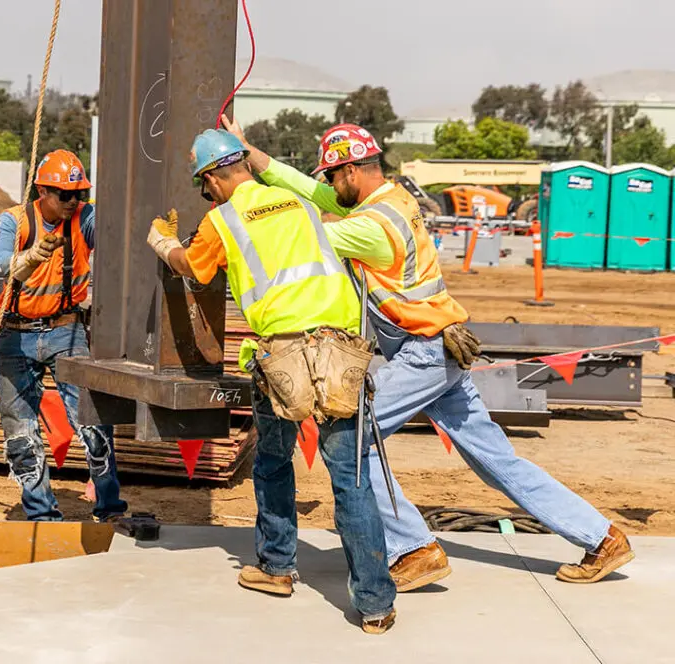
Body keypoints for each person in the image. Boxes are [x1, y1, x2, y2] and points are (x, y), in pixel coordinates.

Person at [227, 117, 634, 590]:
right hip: (441, 347)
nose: (329, 186)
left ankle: (414, 549)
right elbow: (312, 195)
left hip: (423, 354)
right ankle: (602, 537)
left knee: (356, 440)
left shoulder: (371, 227)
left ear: (353, 172)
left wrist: (244, 193)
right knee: (497, 460)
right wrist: (251, 156)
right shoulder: (392, 199)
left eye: (333, 177)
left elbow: (301, 234)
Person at [146, 129, 397, 634]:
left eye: (203, 185)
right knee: (350, 480)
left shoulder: (223, 219)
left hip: (282, 356)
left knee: (273, 460)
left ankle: (278, 567)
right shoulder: (296, 202)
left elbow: (195, 271)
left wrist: (165, 244)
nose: (205, 195)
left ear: (214, 176)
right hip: (339, 350)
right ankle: (374, 603)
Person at [0, 150, 128, 523]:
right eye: (65, 195)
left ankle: (109, 507)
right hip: (16, 335)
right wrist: (30, 256)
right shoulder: (14, 221)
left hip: (66, 331)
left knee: (94, 424)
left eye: (78, 194)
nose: (73, 202)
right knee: (21, 435)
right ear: (42, 191)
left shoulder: (85, 218)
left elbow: (114, 235)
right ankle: (41, 515)